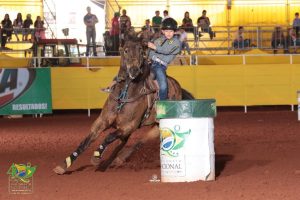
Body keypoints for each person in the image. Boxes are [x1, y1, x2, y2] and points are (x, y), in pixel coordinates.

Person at [148, 17, 181, 100]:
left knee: (163, 86)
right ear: (163, 31)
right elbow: (151, 52)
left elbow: (166, 51)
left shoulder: (176, 43)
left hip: (160, 66)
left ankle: (162, 104)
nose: (168, 33)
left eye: (171, 31)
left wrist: (155, 47)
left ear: (174, 31)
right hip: (150, 63)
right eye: (166, 31)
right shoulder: (158, 40)